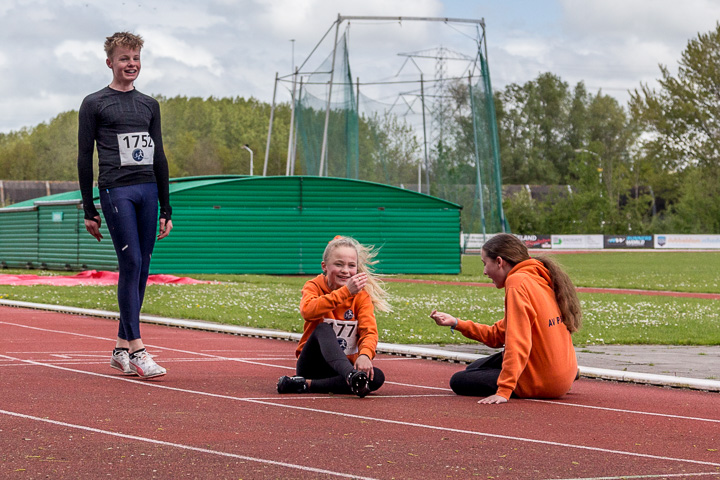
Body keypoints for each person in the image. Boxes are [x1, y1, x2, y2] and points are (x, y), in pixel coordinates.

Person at [77, 32, 172, 379]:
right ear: (110, 63)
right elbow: (84, 157)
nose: (131, 64)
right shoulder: (94, 103)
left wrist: (166, 207)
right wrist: (89, 208)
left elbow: (159, 155)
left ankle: (120, 347)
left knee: (142, 265)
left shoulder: (149, 105)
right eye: (124, 59)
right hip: (116, 190)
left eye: (135, 58)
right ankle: (137, 348)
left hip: (148, 189)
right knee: (130, 260)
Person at [430, 233, 581, 404]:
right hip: (563, 373)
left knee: (459, 380)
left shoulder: (517, 283)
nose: (484, 272)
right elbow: (498, 335)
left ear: (500, 262)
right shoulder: (538, 276)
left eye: (485, 264)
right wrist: (457, 323)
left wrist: (504, 390)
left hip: (544, 380)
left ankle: (544, 378)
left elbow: (518, 342)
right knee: (475, 368)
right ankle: (567, 373)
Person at [277, 236, 391, 397]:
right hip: (312, 364)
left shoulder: (361, 296)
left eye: (351, 266)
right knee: (323, 328)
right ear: (324, 266)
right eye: (339, 264)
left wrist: (365, 355)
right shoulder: (314, 286)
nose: (345, 270)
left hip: (342, 368)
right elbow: (308, 311)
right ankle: (348, 377)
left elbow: (369, 332)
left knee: (376, 377)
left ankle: (306, 385)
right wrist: (346, 292)